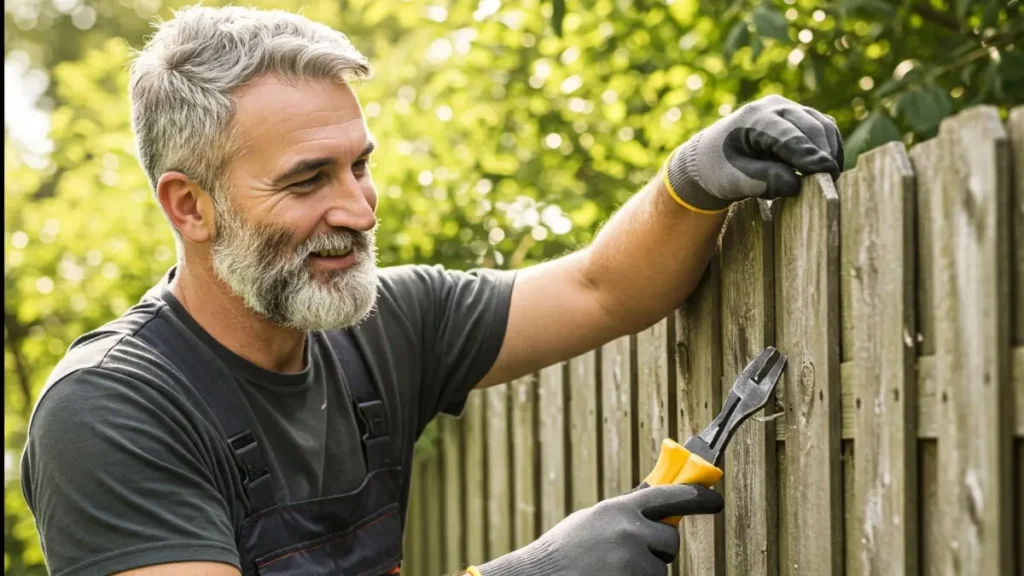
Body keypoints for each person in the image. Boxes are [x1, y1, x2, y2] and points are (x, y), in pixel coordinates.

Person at [19, 5, 843, 576]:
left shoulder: (384, 324)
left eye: (360, 164)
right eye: (308, 180)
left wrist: (693, 176)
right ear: (189, 205)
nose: (358, 207)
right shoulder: (112, 412)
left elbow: (601, 288)